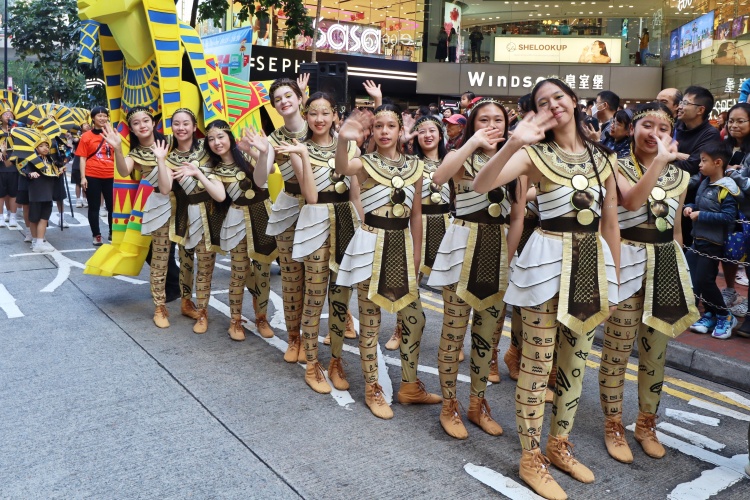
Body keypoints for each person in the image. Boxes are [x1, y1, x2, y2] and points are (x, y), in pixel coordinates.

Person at [473, 78, 620, 499]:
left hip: (591, 267)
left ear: (573, 101)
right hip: (544, 264)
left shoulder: (602, 158)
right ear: (535, 112)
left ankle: (559, 444)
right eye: (542, 102)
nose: (553, 105)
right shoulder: (533, 154)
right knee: (537, 367)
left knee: (574, 364)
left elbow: (611, 221)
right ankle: (531, 456)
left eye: (559, 97)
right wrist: (513, 142)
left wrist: (613, 282)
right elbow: (483, 184)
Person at [599, 102, 698, 465]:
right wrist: (609, 273)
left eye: (663, 128)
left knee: (655, 353)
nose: (654, 133)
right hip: (625, 262)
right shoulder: (614, 164)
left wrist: (683, 277)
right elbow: (628, 202)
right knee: (617, 351)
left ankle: (646, 424)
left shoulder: (681, 177)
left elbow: (676, 231)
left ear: (672, 134)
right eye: (647, 125)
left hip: (664, 267)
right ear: (632, 129)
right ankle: (613, 424)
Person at [335, 103, 442, 419]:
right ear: (373, 131)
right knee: (370, 324)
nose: (384, 131)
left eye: (390, 126)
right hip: (370, 244)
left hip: (402, 245)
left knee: (415, 318)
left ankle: (409, 386)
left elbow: (417, 214)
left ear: (400, 131)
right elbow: (342, 166)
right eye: (378, 126)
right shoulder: (365, 163)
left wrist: (417, 254)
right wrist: (343, 138)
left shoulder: (415, 166)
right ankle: (373, 388)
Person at [428, 97, 522, 439]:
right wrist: (472, 143)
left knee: (487, 336)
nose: (492, 125)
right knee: (453, 333)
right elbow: (439, 177)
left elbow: (518, 216)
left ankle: (478, 403)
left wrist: (506, 258)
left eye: (498, 120)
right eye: (484, 120)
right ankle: (449, 405)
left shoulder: (516, 162)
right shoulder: (460, 155)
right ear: (471, 124)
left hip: (497, 253)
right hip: (461, 248)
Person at [276, 92, 360, 394]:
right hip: (315, 223)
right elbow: (310, 196)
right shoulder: (298, 148)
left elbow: (355, 193)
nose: (320, 119)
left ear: (335, 114)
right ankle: (312, 364)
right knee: (313, 297)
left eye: (325, 112)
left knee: (340, 297)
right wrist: (302, 155)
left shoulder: (350, 145)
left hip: (346, 223)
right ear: (306, 115)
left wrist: (365, 231)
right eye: (313, 113)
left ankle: (335, 361)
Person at [101, 107, 175, 327]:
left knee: (191, 256)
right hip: (160, 209)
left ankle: (190, 302)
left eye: (145, 121)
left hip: (187, 207)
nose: (142, 125)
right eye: (136, 123)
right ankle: (160, 307)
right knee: (159, 258)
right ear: (132, 129)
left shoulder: (171, 142)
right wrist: (117, 148)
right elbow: (124, 171)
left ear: (153, 123)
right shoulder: (135, 154)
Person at [264, 76, 313, 363]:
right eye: (277, 99)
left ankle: (312, 336)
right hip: (288, 207)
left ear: (299, 98)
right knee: (292, 277)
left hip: (319, 209)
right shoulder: (273, 139)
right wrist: (260, 153)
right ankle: (294, 338)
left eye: (288, 96)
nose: (283, 102)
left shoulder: (318, 128)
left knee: (317, 278)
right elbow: (261, 176)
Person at [686, 141, 740, 340]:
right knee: (693, 280)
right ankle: (710, 314)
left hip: (712, 243)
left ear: (718, 162)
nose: (699, 164)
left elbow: (728, 217)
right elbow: (701, 204)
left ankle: (725, 316)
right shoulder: (705, 182)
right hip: (697, 239)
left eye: (703, 160)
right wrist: (690, 207)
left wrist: (701, 215)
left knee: (705, 281)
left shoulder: (727, 189)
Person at [723, 103, 750, 336]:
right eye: (731, 120)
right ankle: (730, 291)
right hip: (729, 213)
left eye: (741, 121)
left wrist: (733, 173)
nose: (734, 125)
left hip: (747, 214)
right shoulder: (726, 145)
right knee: (729, 253)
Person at [75, 106, 114, 246]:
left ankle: (113, 232)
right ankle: (96, 235)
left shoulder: (112, 134)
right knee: (94, 207)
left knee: (113, 206)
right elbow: (83, 158)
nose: (102, 118)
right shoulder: (86, 136)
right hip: (92, 175)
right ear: (93, 118)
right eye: (99, 116)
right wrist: (83, 177)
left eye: (105, 115)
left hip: (111, 175)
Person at [18, 134, 59, 253]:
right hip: (36, 194)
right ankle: (35, 241)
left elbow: (55, 174)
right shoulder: (33, 161)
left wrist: (60, 170)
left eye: (47, 145)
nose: (45, 148)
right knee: (34, 219)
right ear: (36, 148)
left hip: (48, 193)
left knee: (44, 218)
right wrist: (30, 174)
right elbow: (25, 171)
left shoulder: (51, 161)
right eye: (41, 146)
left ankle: (39, 242)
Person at [0, 105, 18, 229]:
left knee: (13, 192)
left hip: (13, 164)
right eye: (6, 114)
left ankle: (13, 216)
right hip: (0, 165)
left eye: (10, 114)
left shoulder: (17, 130)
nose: (8, 116)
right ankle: (0, 217)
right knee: (0, 193)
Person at [71, 123, 91, 208]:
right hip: (78, 161)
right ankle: (78, 200)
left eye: (88, 124)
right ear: (81, 127)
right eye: (85, 125)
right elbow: (75, 141)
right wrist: (79, 137)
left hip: (88, 161)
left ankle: (85, 199)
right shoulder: (78, 136)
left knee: (86, 183)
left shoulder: (91, 136)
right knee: (78, 183)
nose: (87, 126)